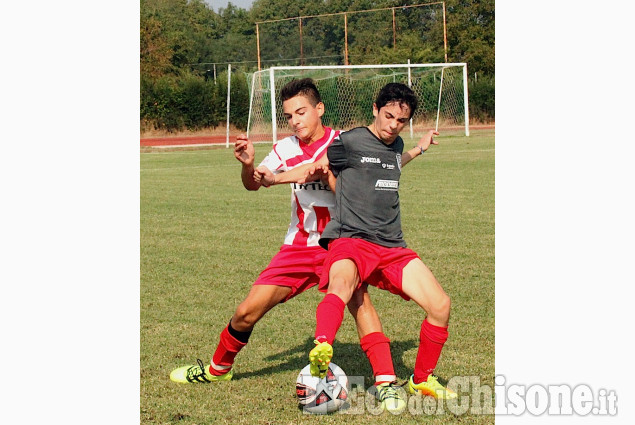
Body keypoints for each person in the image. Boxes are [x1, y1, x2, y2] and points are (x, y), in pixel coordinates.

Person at [169, 78, 430, 412]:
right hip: (298, 247)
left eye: (301, 112)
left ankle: (385, 383)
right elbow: (255, 184)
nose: (295, 120)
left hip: (342, 242)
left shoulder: (346, 142)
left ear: (319, 109)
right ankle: (218, 369)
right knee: (247, 311)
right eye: (290, 115)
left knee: (359, 303)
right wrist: (249, 166)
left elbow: (369, 184)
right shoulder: (285, 148)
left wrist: (327, 175)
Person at [306, 82, 458, 399]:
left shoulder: (395, 144)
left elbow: (390, 165)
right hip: (351, 238)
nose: (392, 125)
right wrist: (320, 171)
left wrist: (417, 149)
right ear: (375, 109)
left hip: (391, 243)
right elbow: (322, 167)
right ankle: (322, 347)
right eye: (388, 116)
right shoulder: (348, 142)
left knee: (440, 305)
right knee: (342, 285)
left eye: (400, 121)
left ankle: (421, 379)